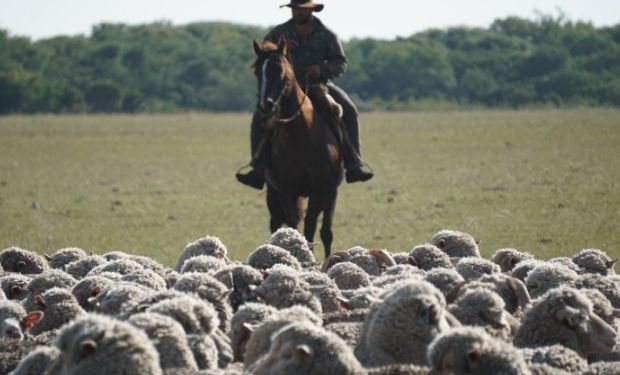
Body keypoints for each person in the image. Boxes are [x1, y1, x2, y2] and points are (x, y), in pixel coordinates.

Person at [236, 0, 373, 189]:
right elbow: (264, 57)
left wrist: (321, 69)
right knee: (260, 116)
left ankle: (353, 164)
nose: (297, 12)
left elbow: (340, 63)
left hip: (318, 86)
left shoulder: (327, 34)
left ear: (311, 10)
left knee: (349, 110)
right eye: (294, 9)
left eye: (301, 9)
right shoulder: (278, 33)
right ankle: (257, 169)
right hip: (284, 89)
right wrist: (282, 51)